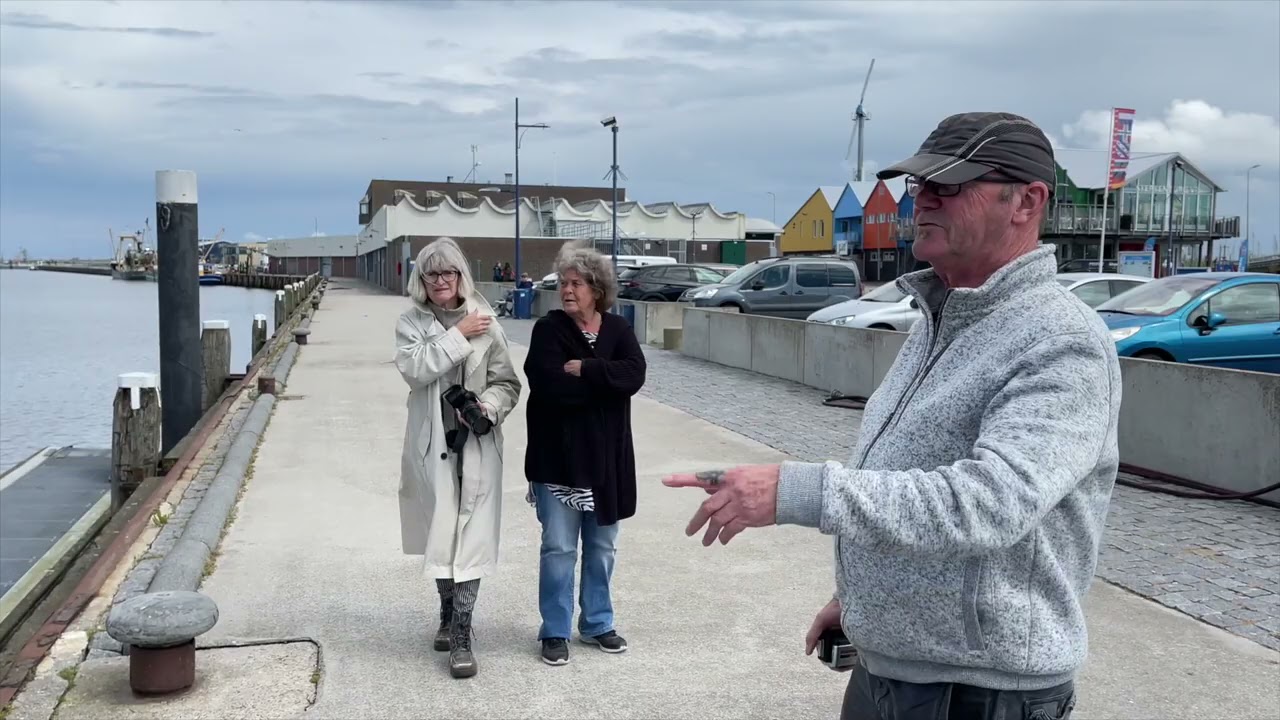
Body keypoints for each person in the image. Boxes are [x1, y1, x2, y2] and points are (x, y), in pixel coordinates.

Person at [664, 112, 1120, 720]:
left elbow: (989, 503)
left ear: (1027, 201)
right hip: (896, 669)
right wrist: (857, 601)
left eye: (949, 186)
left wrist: (796, 490)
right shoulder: (940, 318)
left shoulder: (1062, 340)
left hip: (982, 690)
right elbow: (902, 470)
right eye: (918, 186)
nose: (922, 201)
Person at [394, 237, 522, 680]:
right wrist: (457, 335)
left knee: (472, 539)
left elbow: (508, 383)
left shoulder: (487, 321)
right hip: (434, 448)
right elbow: (413, 370)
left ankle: (463, 636)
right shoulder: (411, 323)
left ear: (460, 275)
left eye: (448, 273)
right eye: (432, 274)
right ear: (421, 281)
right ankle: (447, 616)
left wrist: (484, 407)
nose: (441, 281)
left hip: (477, 445)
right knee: (441, 531)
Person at [522, 242, 647, 666]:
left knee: (602, 547)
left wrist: (589, 369)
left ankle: (597, 623)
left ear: (597, 289)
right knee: (558, 547)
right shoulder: (549, 329)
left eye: (576, 283)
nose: (567, 290)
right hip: (558, 460)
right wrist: (605, 388)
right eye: (563, 282)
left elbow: (635, 375)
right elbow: (549, 386)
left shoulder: (618, 330)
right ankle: (554, 630)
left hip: (606, 463)